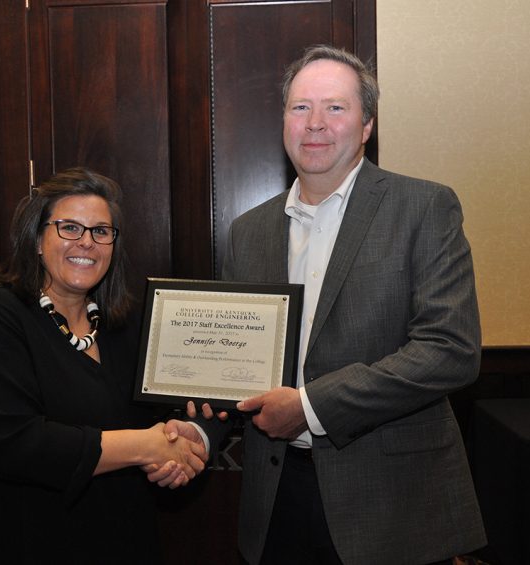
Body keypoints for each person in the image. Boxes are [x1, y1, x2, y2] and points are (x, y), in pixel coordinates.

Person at [177, 44, 487, 564]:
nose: (315, 123)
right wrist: (196, 434)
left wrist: (310, 407)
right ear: (284, 121)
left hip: (392, 503)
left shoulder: (424, 207)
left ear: (366, 125)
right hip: (276, 502)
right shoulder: (248, 231)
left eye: (335, 108)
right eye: (301, 107)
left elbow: (450, 349)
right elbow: (232, 370)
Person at [0, 168, 207, 564]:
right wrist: (142, 445)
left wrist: (177, 445)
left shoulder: (127, 325)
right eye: (69, 227)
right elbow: (16, 445)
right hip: (17, 540)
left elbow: (164, 412)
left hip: (120, 539)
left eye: (101, 231)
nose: (86, 242)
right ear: (36, 239)